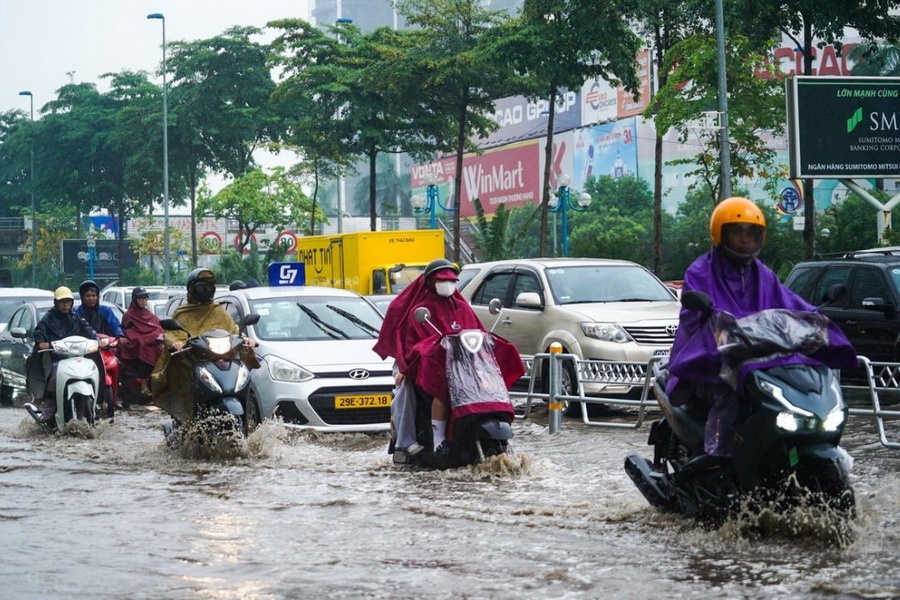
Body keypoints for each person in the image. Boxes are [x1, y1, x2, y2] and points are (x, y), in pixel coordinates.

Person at [665, 196, 857, 461]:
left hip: (758, 357)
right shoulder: (700, 271)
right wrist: (719, 328)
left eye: (751, 233)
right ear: (720, 234)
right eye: (736, 232)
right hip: (712, 362)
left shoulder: (763, 273)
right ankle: (719, 456)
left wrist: (814, 319)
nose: (745, 239)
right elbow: (695, 318)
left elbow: (789, 303)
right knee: (731, 397)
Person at [374, 258, 484, 462]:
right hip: (417, 364)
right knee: (406, 388)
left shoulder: (462, 308)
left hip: (459, 367)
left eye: (451, 280)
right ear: (431, 282)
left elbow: (477, 334)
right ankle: (418, 441)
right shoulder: (419, 311)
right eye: (442, 280)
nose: (447, 284)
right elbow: (409, 346)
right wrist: (405, 369)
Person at [151, 268, 259, 423]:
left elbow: (233, 330)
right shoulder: (182, 313)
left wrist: (244, 339)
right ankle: (187, 419)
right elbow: (172, 334)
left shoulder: (218, 310)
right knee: (182, 377)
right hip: (193, 361)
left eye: (209, 287)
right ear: (192, 289)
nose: (205, 291)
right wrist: (176, 342)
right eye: (201, 287)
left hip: (220, 359)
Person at [26, 286, 99, 426]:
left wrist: (96, 339)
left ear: (72, 303)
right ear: (56, 303)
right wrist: (42, 342)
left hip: (77, 358)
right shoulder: (48, 318)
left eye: (68, 302)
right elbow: (39, 332)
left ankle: (97, 405)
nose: (66, 305)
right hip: (57, 359)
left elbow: (88, 330)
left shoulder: (76, 317)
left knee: (92, 369)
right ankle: (48, 408)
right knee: (54, 376)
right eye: (62, 302)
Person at [119, 287, 164, 398]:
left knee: (162, 348)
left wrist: (158, 336)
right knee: (142, 346)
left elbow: (157, 327)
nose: (143, 301)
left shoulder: (148, 313)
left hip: (152, 343)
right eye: (140, 299)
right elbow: (127, 330)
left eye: (145, 299)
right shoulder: (129, 315)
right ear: (135, 300)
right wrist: (141, 338)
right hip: (137, 345)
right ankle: (143, 385)